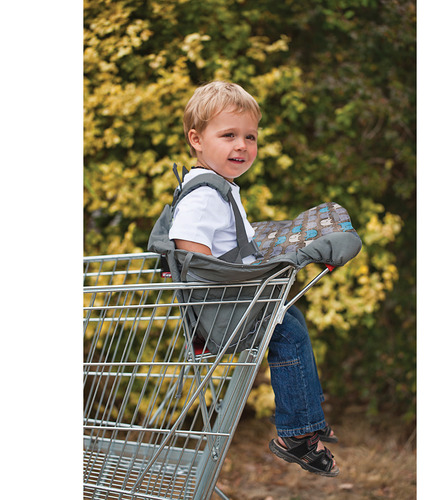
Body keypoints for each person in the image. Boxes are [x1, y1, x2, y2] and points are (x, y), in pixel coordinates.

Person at [169, 80, 340, 477]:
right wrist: (239, 280)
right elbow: (190, 251)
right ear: (196, 139)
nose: (241, 145)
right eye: (228, 135)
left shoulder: (221, 188)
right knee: (288, 333)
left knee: (292, 321)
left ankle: (307, 419)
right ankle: (296, 433)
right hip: (220, 308)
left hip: (233, 300)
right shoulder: (204, 195)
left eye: (250, 136)